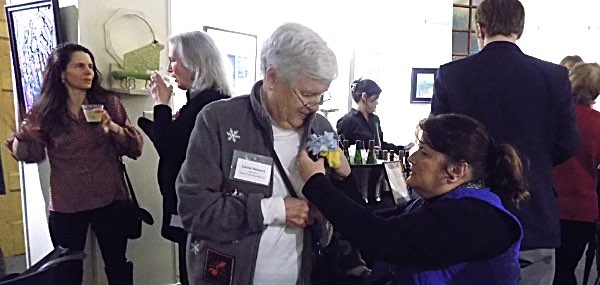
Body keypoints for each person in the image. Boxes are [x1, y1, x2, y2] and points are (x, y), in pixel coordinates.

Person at [175, 22, 339, 285]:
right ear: (272, 77)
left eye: (322, 95)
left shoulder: (321, 130)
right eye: (308, 94)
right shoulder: (219, 120)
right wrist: (274, 209)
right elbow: (195, 211)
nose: (315, 106)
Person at [430, 0, 580, 283]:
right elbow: (568, 144)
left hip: (469, 214)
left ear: (479, 29)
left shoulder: (451, 75)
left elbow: (438, 145)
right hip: (532, 212)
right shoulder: (554, 77)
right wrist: (532, 163)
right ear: (520, 30)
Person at [297, 113, 527, 284]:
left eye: (425, 153)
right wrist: (346, 178)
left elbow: (381, 239)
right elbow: (371, 224)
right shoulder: (435, 204)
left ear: (456, 170)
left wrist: (316, 183)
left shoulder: (475, 217)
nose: (413, 158)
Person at [4, 43, 143, 285]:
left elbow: (135, 147)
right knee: (66, 274)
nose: (88, 71)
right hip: (67, 202)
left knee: (118, 266)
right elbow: (30, 155)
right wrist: (22, 136)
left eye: (90, 66)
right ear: (61, 73)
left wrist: (114, 128)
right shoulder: (44, 110)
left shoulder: (107, 102)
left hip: (109, 197)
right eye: (79, 66)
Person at [144, 30, 232, 285]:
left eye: (174, 60)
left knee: (197, 273)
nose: (170, 70)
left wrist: (162, 103)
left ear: (196, 63)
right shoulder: (198, 101)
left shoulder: (209, 105)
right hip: (192, 206)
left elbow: (171, 147)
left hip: (201, 208)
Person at [552, 63, 600, 285]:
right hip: (583, 209)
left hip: (550, 204)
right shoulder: (598, 123)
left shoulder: (553, 117)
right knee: (567, 269)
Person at [336, 78, 413, 154]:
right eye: (375, 98)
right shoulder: (346, 121)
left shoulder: (375, 119)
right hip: (356, 166)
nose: (377, 102)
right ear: (364, 97)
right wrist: (367, 152)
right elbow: (340, 150)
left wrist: (402, 148)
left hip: (376, 165)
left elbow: (380, 145)